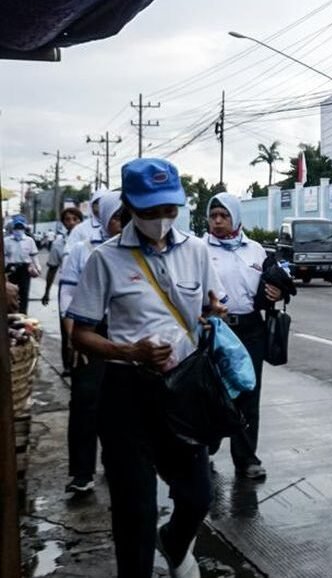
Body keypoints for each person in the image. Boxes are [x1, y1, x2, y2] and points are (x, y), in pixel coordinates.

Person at [69, 158, 228, 578]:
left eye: (168, 210)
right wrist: (130, 352)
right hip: (127, 395)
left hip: (184, 394)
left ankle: (175, 542)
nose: (161, 219)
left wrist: (213, 314)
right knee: (135, 512)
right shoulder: (105, 259)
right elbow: (80, 334)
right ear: (129, 206)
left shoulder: (196, 251)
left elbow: (213, 306)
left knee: (197, 495)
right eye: (150, 211)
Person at [204, 192, 284, 481]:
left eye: (223, 216)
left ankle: (246, 458)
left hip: (250, 329)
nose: (217, 221)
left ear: (235, 217)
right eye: (213, 216)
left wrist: (276, 292)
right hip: (213, 330)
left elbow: (271, 286)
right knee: (211, 391)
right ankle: (206, 448)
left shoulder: (256, 251)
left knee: (248, 393)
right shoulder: (200, 249)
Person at [62, 192, 125, 496]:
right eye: (117, 216)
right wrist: (75, 340)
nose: (123, 223)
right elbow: (68, 298)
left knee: (121, 407)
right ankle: (82, 472)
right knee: (85, 402)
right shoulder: (83, 250)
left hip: (128, 333)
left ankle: (117, 464)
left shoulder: (141, 252)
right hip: (91, 330)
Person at [42, 207, 85, 370]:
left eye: (75, 219)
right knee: (66, 327)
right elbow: (52, 268)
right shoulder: (59, 243)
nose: (72, 223)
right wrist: (47, 291)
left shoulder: (89, 239)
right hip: (67, 288)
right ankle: (67, 365)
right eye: (68, 219)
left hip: (85, 287)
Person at [4, 215, 39, 314]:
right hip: (11, 268)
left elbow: (33, 255)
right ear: (13, 228)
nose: (18, 230)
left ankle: (23, 314)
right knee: (11, 292)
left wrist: (37, 267)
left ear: (24, 228)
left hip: (25, 268)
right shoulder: (7, 241)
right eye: (16, 228)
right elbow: (4, 256)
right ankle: (12, 314)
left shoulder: (29, 241)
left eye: (20, 228)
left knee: (24, 293)